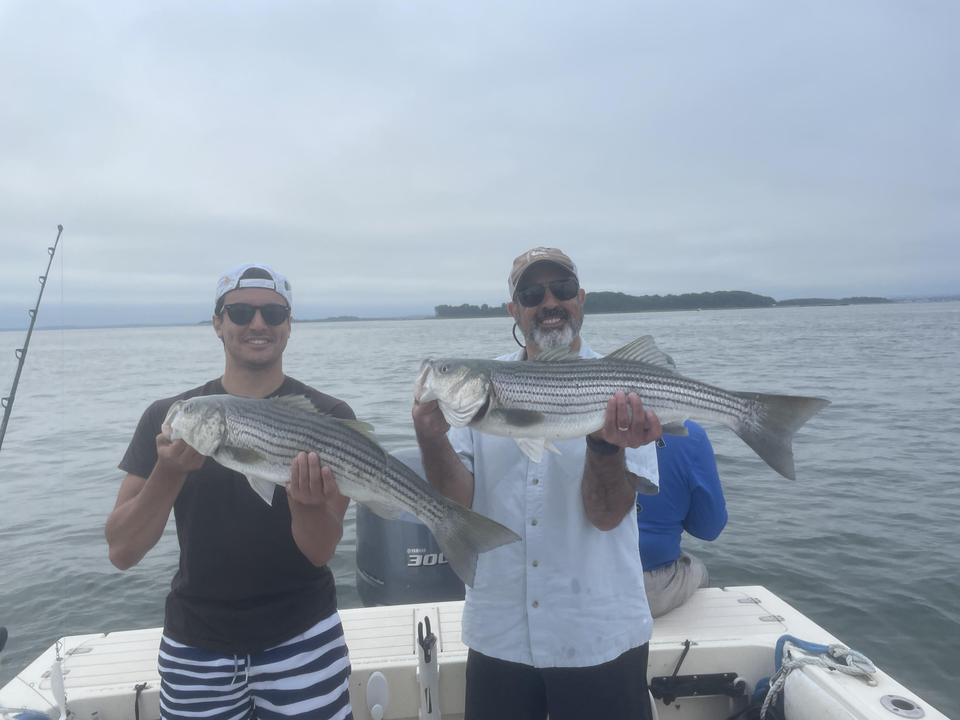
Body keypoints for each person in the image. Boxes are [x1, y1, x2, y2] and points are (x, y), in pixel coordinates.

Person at [412, 247, 663, 720]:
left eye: (562, 289)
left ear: (581, 299)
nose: (549, 302)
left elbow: (608, 516)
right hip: (498, 634)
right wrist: (431, 442)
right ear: (514, 309)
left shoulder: (620, 389)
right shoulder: (479, 392)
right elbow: (454, 509)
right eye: (532, 293)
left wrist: (605, 446)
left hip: (597, 634)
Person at [105, 263, 354, 720]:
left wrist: (305, 505)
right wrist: (167, 473)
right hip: (195, 643)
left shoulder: (329, 417)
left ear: (289, 326)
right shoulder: (166, 417)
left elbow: (321, 551)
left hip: (304, 634)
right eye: (239, 312)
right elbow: (122, 550)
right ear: (217, 324)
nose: (258, 324)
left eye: (274, 313)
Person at [637, 420, 728, 618]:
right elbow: (708, 529)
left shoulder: (565, 426)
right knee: (697, 569)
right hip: (646, 587)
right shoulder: (689, 433)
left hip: (566, 581)